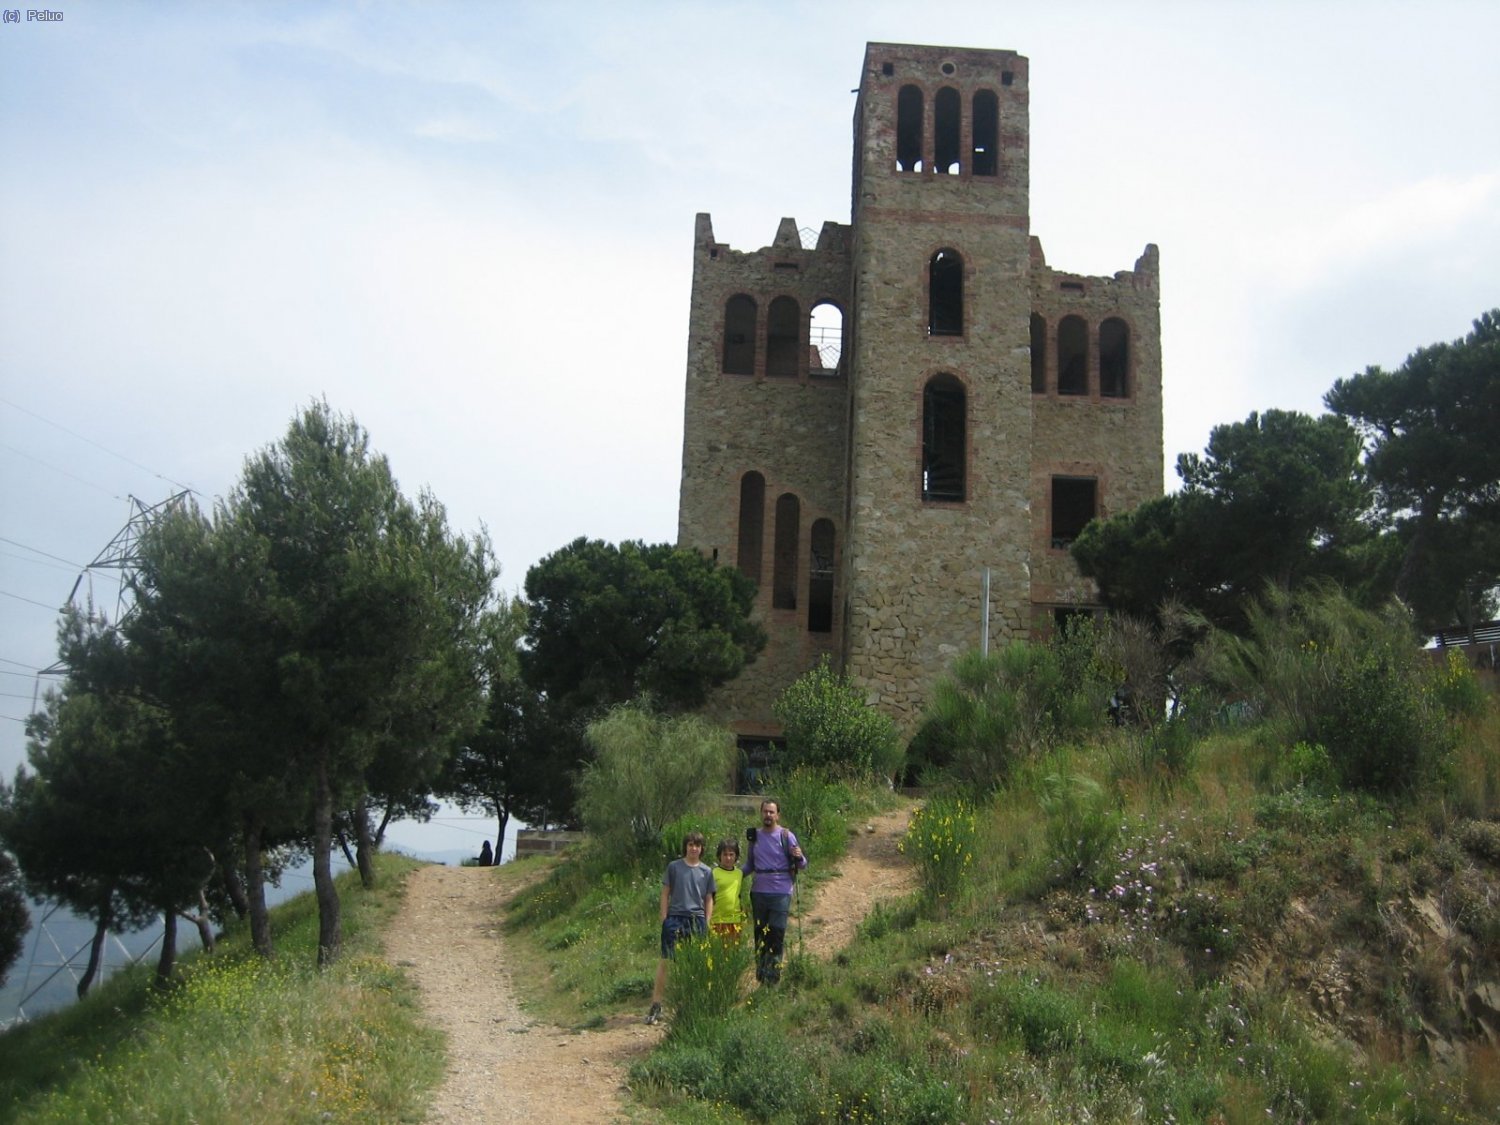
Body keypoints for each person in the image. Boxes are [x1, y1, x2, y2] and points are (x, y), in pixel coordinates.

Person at [646, 830, 715, 1025]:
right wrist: (664, 918)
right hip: (675, 918)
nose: (694, 848)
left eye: (697, 845)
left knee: (694, 963)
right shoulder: (674, 867)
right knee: (666, 961)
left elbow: (709, 898)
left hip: (696, 919)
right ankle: (656, 1004)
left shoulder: (707, 871)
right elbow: (665, 893)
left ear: (702, 849)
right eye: (691, 844)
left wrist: (707, 921)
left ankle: (690, 1003)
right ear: (685, 846)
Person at [743, 798, 806, 986]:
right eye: (765, 812)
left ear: (778, 815)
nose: (768, 815)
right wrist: (732, 876)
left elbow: (802, 864)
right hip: (759, 892)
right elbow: (749, 865)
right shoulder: (754, 837)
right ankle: (761, 976)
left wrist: (799, 857)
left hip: (781, 891)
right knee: (760, 934)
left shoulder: (786, 836)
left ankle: (774, 978)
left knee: (776, 934)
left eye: (772, 812)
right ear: (761, 813)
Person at [710, 838, 747, 943]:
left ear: (736, 857)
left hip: (735, 920)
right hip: (717, 919)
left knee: (732, 953)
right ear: (719, 856)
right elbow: (708, 897)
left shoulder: (739, 873)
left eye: (731, 855)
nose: (728, 858)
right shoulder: (713, 873)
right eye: (725, 855)